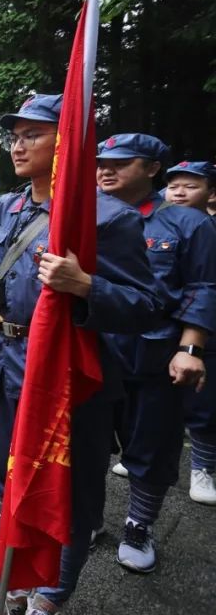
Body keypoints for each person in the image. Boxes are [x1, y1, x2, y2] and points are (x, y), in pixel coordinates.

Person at [0, 94, 164, 615]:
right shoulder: (3, 208)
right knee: (3, 475)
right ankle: (11, 578)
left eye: (33, 133)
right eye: (15, 134)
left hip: (63, 371)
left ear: (67, 143)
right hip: (0, 362)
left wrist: (86, 286)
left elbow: (147, 306)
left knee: (65, 488)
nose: (17, 143)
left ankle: (51, 594)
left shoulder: (104, 217)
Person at [94, 134, 216, 573]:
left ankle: (139, 525)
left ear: (150, 169)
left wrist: (190, 348)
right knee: (88, 442)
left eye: (120, 163)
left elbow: (203, 288)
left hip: (154, 355)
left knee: (152, 447)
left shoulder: (189, 224)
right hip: (95, 349)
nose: (105, 170)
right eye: (101, 162)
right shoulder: (86, 215)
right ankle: (88, 518)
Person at [164, 161, 216, 505]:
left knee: (203, 402)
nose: (179, 192)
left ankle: (203, 467)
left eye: (190, 186)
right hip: (164, 326)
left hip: (204, 330)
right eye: (174, 186)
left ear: (211, 192)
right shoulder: (153, 224)